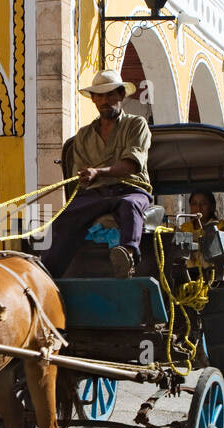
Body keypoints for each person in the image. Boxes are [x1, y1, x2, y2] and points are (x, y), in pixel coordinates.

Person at [43, 69, 153, 278]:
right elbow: (84, 179)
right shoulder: (83, 135)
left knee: (130, 206)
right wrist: (86, 177)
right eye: (100, 96)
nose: (105, 101)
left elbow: (131, 165)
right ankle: (49, 274)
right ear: (93, 99)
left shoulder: (136, 124)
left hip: (131, 189)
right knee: (64, 217)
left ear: (121, 95)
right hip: (96, 193)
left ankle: (127, 256)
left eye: (111, 94)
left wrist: (98, 171)